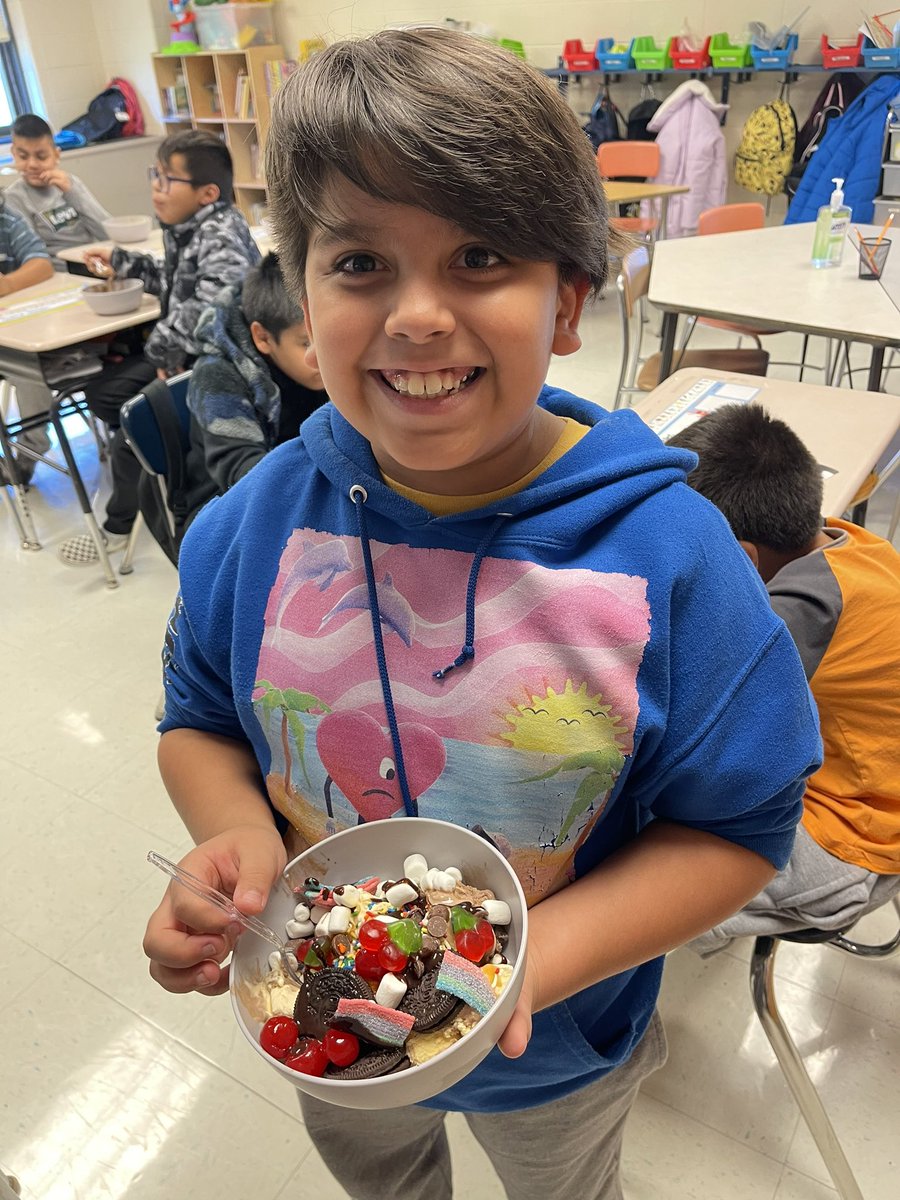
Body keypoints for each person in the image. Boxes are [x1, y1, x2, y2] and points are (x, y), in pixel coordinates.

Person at [142, 30, 821, 1200]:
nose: (414, 315)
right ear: (300, 292)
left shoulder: (673, 560)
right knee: (382, 1177)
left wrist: (533, 963)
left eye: (478, 256)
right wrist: (239, 834)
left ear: (567, 301)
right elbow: (199, 714)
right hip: (326, 1014)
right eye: (358, 263)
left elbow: (738, 829)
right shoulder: (251, 527)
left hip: (549, 1046)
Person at [665, 404, 900, 954]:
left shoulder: (797, 616)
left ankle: (625, 1019)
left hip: (854, 838)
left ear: (742, 558)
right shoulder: (847, 543)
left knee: (629, 872)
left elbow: (687, 710)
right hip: (861, 772)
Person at [56, 129, 260, 566]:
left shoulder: (220, 232)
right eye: (156, 175)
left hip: (215, 365)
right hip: (185, 357)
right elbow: (176, 280)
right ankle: (161, 458)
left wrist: (162, 355)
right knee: (105, 394)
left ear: (207, 193)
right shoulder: (187, 227)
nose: (155, 187)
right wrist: (123, 261)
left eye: (167, 179)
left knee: (132, 413)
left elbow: (212, 308)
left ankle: (120, 522)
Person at [142, 252, 327, 563]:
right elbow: (243, 475)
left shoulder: (313, 359)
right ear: (263, 337)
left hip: (296, 485)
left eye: (328, 335)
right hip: (225, 505)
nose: (322, 356)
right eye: (306, 343)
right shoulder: (217, 376)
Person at [5, 113, 112, 270]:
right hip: (59, 273)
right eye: (23, 157)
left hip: (92, 264)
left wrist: (72, 192)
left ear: (56, 155)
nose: (32, 164)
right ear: (14, 154)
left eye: (41, 157)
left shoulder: (71, 183)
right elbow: (34, 255)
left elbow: (107, 232)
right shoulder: (14, 198)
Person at [0, 198, 54, 486]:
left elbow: (41, 263)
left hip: (12, 334)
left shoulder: (7, 220)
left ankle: (28, 454)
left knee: (31, 369)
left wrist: (8, 284)